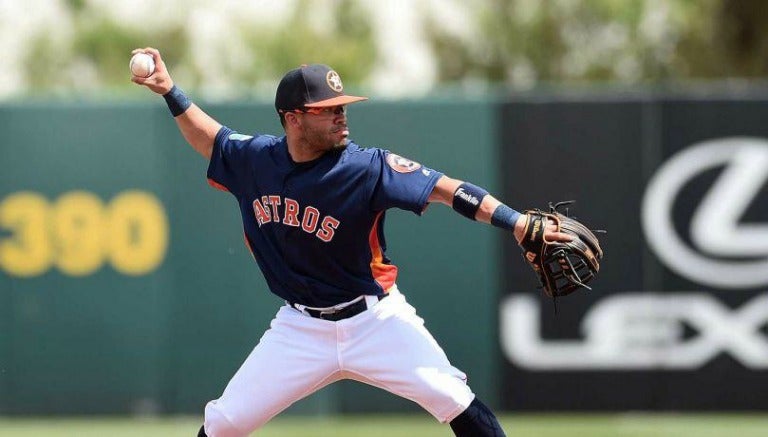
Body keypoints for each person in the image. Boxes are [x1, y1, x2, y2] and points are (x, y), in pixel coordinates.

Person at [132, 47, 571, 437]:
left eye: (343, 106)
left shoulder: (366, 167)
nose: (342, 114)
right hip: (299, 328)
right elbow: (208, 137)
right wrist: (170, 91)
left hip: (375, 318)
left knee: (452, 397)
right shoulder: (255, 161)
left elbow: (446, 188)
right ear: (294, 118)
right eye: (329, 108)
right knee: (225, 423)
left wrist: (514, 222)